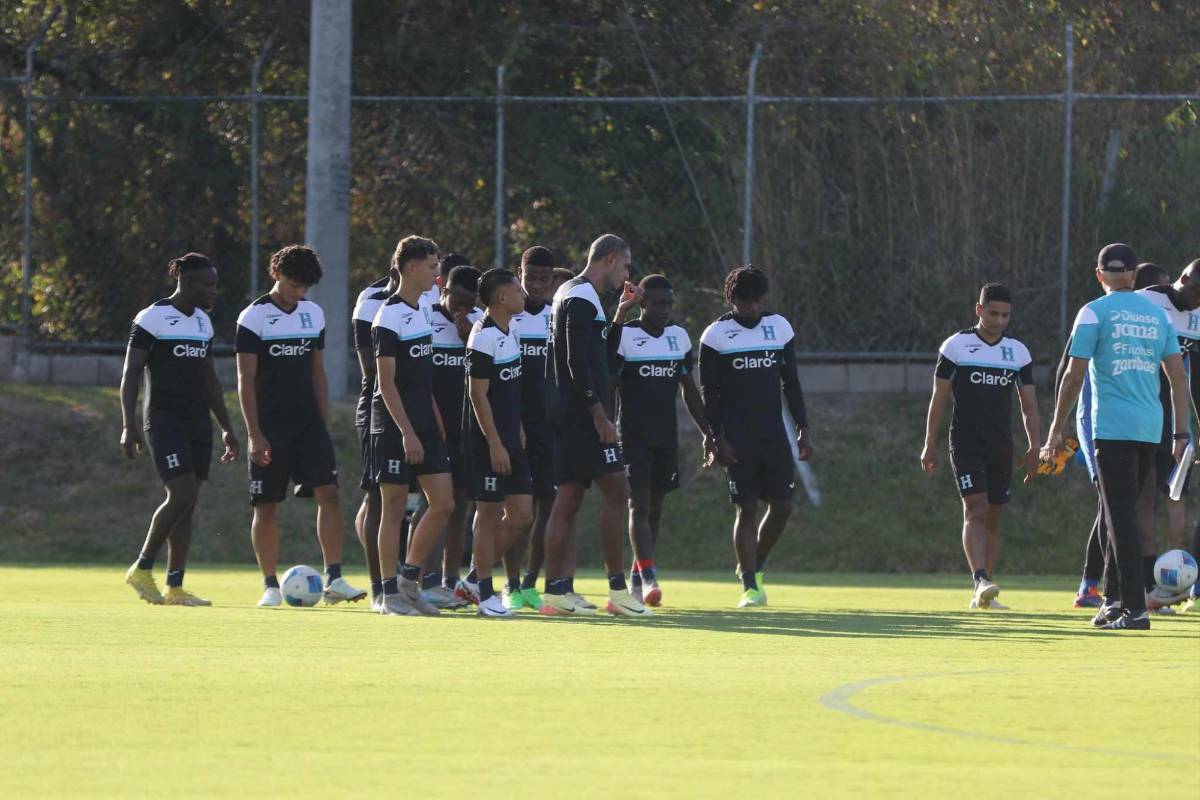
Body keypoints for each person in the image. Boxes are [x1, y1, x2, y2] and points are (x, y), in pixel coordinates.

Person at [1043, 243, 1190, 631]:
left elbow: (1073, 376)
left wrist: (1056, 430)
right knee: (1116, 515)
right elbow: (1178, 377)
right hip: (1151, 429)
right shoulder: (1158, 317)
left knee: (1119, 516)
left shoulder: (1093, 312)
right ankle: (1111, 601)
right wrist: (1182, 431)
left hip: (1113, 428)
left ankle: (1134, 609)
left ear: (1100, 274)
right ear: (1133, 275)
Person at [235, 246, 365, 607]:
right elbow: (245, 379)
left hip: (308, 425)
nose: (300, 292)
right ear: (277, 274)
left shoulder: (313, 314)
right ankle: (270, 586)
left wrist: (321, 423)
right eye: (294, 284)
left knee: (329, 495)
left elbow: (316, 370)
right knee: (267, 505)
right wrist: (254, 434)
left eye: (306, 286)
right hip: (270, 428)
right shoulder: (253, 317)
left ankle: (334, 578)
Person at [540, 233, 650, 618]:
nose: (627, 272)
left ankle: (556, 592)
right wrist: (598, 413)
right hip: (581, 416)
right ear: (609, 259)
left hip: (574, 414)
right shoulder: (580, 297)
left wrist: (620, 315)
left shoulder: (579, 295)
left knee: (569, 497)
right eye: (625, 265)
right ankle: (618, 591)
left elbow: (598, 354)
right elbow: (575, 362)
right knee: (617, 489)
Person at [121, 253, 240, 606]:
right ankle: (142, 568)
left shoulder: (203, 322)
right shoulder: (152, 318)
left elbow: (209, 379)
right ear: (186, 283)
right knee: (181, 493)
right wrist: (129, 425)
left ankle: (175, 586)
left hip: (196, 420)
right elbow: (130, 375)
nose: (214, 291)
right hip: (163, 420)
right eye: (208, 284)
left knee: (189, 502)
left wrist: (227, 427)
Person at [699, 266, 813, 608]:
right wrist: (717, 437)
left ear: (762, 299)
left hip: (773, 434)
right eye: (742, 302)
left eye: (754, 302)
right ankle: (749, 585)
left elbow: (790, 382)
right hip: (737, 436)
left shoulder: (779, 328)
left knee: (782, 506)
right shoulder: (715, 336)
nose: (749, 308)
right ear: (730, 300)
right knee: (746, 508)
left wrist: (803, 427)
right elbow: (710, 394)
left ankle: (755, 562)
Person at [921, 283, 1040, 610]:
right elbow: (939, 397)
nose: (999, 321)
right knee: (975, 508)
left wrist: (1034, 447)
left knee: (994, 516)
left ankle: (983, 592)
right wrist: (929, 443)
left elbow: (1029, 404)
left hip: (1001, 446)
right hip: (965, 442)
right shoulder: (957, 346)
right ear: (979, 310)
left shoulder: (1018, 352)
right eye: (993, 313)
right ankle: (981, 579)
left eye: (1005, 315)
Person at [610, 274, 712, 606]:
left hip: (665, 436)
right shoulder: (625, 335)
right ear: (642, 303)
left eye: (669, 303)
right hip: (633, 436)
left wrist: (708, 433)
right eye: (658, 303)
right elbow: (609, 384)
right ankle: (650, 576)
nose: (665, 309)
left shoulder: (678, 337)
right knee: (637, 504)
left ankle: (638, 577)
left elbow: (689, 390)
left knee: (655, 508)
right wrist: (605, 425)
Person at [371, 235, 455, 616]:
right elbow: (385, 383)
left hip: (423, 420)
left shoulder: (424, 308)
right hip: (392, 424)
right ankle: (388, 593)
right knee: (393, 509)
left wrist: (433, 416)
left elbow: (423, 376)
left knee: (443, 502)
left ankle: (408, 580)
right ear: (411, 268)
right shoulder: (387, 315)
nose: (438, 274)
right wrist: (406, 431)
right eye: (433, 266)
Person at [464, 268, 535, 617]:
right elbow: (478, 395)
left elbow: (511, 390)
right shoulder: (483, 336)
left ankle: (475, 579)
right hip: (487, 442)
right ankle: (486, 595)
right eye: (518, 289)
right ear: (501, 298)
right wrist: (494, 443)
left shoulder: (514, 329)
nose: (524, 294)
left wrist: (516, 428)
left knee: (522, 515)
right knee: (488, 515)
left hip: (511, 438)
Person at [1134, 261, 1200, 610]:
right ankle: (1146, 580)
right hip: (1141, 418)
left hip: (1179, 425)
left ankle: (1170, 584)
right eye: (1196, 293)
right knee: (1142, 500)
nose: (1197, 301)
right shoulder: (1143, 302)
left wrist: (1190, 429)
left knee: (1176, 499)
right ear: (1184, 278)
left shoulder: (1198, 317)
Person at [502, 246, 557, 611]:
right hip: (514, 428)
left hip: (552, 429)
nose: (536, 285)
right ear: (519, 275)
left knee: (547, 507)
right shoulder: (507, 319)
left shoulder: (558, 317)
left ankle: (530, 582)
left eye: (543, 279)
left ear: (552, 281)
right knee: (516, 510)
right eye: (530, 277)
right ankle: (508, 582)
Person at [425, 264, 482, 607]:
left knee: (460, 503)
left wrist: (467, 339)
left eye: (469, 303)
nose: (462, 309)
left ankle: (448, 579)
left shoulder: (479, 323)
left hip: (467, 429)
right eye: (456, 301)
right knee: (435, 503)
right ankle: (425, 577)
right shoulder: (424, 318)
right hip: (433, 428)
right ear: (443, 289)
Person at [351, 271, 392, 609]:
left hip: (420, 409)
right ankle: (379, 588)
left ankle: (410, 580)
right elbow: (371, 370)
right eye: (429, 265)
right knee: (378, 496)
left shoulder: (429, 298)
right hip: (379, 407)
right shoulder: (371, 300)